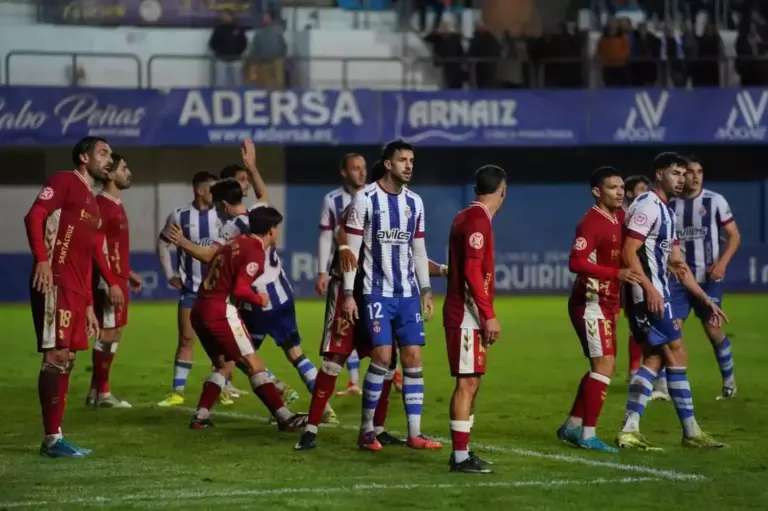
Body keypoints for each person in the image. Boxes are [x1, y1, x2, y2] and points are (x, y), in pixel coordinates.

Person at [294, 183, 450, 451]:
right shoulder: (362, 204)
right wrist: (343, 253)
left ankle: (376, 429)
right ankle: (312, 428)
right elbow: (344, 235)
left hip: (381, 294)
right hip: (350, 291)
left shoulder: (401, 207)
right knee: (335, 359)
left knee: (388, 361)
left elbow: (413, 257)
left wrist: (444, 271)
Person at [616, 152, 728, 451]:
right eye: (676, 173)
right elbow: (629, 251)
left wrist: (704, 298)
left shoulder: (666, 212)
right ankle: (690, 432)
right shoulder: (648, 206)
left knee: (655, 357)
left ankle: (630, 428)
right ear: (659, 175)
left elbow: (678, 264)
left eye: (685, 173)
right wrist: (650, 288)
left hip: (657, 293)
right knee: (677, 353)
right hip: (647, 297)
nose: (683, 179)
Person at [343, 140, 442, 452]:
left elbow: (418, 249)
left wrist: (426, 289)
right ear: (387, 164)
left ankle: (415, 434)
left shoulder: (415, 203)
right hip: (376, 293)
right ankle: (367, 430)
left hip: (408, 293)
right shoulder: (365, 199)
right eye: (402, 160)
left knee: (413, 358)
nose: (409, 165)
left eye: (411, 160)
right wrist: (348, 293)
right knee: (383, 357)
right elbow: (353, 253)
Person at [166, 178, 300, 407]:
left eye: (217, 206)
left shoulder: (232, 230)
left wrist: (183, 243)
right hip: (232, 300)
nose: (216, 211)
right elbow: (263, 195)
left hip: (224, 302)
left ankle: (278, 400)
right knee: (231, 357)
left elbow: (212, 258)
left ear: (224, 204)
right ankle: (209, 409)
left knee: (231, 358)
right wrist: (253, 167)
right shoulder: (256, 216)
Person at [25, 136, 114, 457]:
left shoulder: (92, 201)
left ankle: (57, 437)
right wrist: (42, 260)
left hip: (77, 290)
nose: (109, 160)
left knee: (69, 359)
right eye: (103, 153)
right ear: (83, 157)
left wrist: (90, 303)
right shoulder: (64, 181)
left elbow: (88, 255)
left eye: (110, 155)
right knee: (56, 356)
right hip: (56, 283)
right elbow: (34, 216)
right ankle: (51, 439)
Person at [188, 206, 307, 431]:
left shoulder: (233, 243)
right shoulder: (255, 250)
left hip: (199, 309)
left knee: (224, 365)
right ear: (271, 230)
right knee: (255, 364)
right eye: (277, 227)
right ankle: (285, 418)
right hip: (220, 310)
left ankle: (200, 417)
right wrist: (259, 299)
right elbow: (241, 289)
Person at [558, 167, 642, 455]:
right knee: (604, 367)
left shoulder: (620, 216)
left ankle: (572, 425)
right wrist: (614, 273)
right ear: (597, 192)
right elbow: (575, 262)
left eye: (622, 187)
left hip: (608, 304)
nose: (620, 192)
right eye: (612, 188)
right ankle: (587, 434)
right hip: (590, 305)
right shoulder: (590, 223)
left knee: (600, 368)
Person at [443, 165, 507, 474]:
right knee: (467, 382)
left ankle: (463, 451)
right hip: (465, 314)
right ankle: (459, 457)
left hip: (467, 313)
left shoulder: (465, 216)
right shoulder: (478, 220)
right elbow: (471, 271)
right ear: (503, 191)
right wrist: (488, 315)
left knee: (472, 381)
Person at [669, 156, 740, 400]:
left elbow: (733, 236)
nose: (695, 176)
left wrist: (722, 264)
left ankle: (729, 381)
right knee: (672, 329)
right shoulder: (671, 204)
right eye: (690, 172)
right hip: (679, 280)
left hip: (708, 278)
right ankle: (664, 386)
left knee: (713, 330)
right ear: (681, 175)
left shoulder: (714, 200)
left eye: (699, 171)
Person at [316, 153, 383, 397]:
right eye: (355, 168)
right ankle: (354, 380)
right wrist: (322, 271)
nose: (362, 173)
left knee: (379, 333)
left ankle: (387, 372)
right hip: (345, 275)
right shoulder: (332, 200)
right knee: (345, 331)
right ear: (344, 171)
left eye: (364, 168)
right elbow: (327, 236)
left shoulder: (376, 197)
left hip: (374, 277)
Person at [156, 171, 223, 407]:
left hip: (219, 290)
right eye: (212, 188)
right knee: (186, 337)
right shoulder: (180, 215)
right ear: (200, 190)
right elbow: (163, 243)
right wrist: (169, 274)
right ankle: (177, 391)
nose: (216, 193)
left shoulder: (223, 214)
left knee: (221, 341)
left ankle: (222, 386)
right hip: (191, 289)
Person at [88, 154, 143, 409]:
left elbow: (113, 246)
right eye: (124, 168)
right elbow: (97, 246)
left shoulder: (116, 204)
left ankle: (94, 390)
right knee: (108, 333)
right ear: (109, 174)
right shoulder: (101, 205)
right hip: (107, 280)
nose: (128, 172)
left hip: (117, 277)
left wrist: (127, 272)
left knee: (112, 332)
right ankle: (104, 394)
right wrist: (110, 281)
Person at [622, 175, 650, 381]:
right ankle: (634, 371)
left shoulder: (651, 211)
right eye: (641, 188)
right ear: (629, 193)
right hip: (631, 278)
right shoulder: (623, 215)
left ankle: (657, 376)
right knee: (637, 325)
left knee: (655, 324)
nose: (646, 192)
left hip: (650, 276)